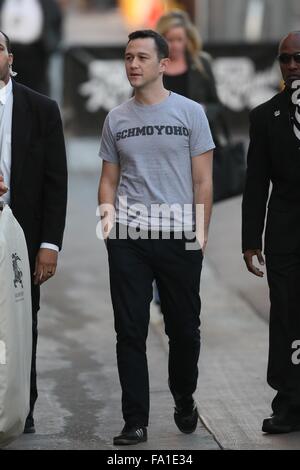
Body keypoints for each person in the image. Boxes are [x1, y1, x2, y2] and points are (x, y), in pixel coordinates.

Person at [98, 29, 214, 445]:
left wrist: (200, 233)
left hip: (179, 233)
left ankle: (184, 397)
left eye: (142, 57)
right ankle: (135, 421)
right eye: (128, 57)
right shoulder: (116, 118)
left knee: (184, 330)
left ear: (163, 65)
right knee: (129, 330)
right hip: (129, 237)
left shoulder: (190, 113)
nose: (133, 64)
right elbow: (109, 179)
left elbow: (203, 181)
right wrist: (109, 226)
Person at [0, 31, 67, 434]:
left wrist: (49, 245)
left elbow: (55, 181)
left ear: (10, 56)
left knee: (22, 321)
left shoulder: (41, 109)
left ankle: (20, 405)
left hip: (21, 236)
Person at [242, 31, 300, 434]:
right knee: (286, 317)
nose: (293, 65)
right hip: (285, 237)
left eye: (299, 57)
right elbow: (255, 182)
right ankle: (289, 403)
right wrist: (250, 240)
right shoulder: (265, 116)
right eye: (285, 59)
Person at [156, 10, 221, 129]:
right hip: (161, 135)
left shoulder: (201, 64)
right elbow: (137, 102)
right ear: (160, 40)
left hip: (197, 134)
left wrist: (202, 110)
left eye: (179, 40)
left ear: (187, 40)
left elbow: (216, 105)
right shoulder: (152, 66)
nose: (175, 45)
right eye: (170, 40)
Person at [0, 0, 63, 95]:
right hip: (5, 53)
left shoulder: (46, 3)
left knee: (36, 95)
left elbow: (55, 22)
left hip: (36, 54)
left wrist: (51, 45)